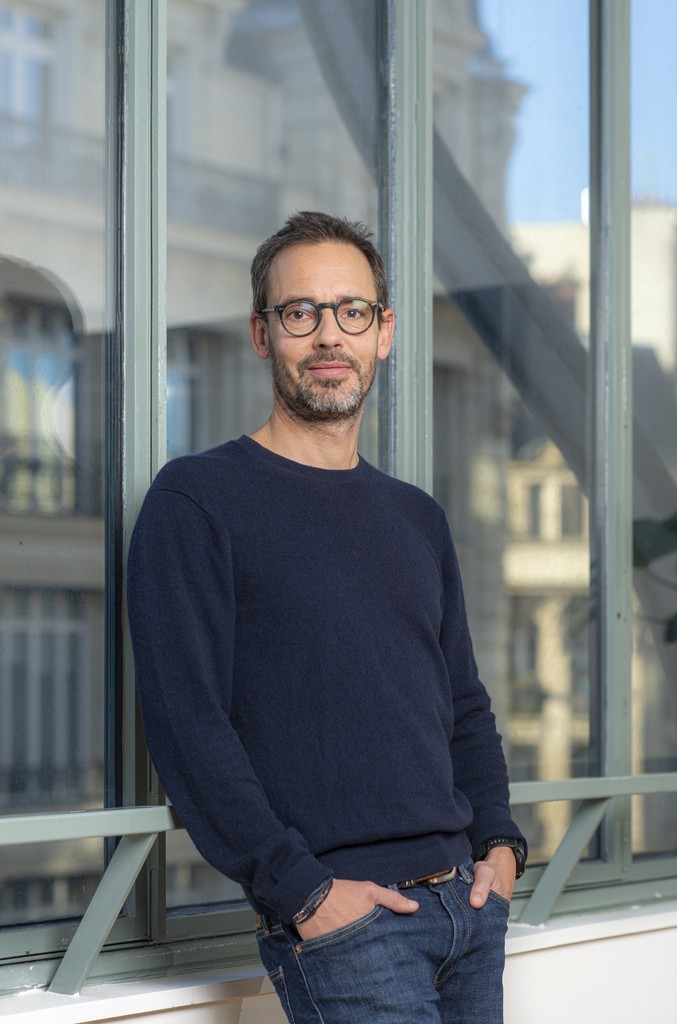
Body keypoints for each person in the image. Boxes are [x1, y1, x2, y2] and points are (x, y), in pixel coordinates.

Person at [127, 210, 526, 1024]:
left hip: (468, 909)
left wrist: (500, 846)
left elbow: (461, 705)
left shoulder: (415, 516)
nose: (327, 336)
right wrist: (301, 893)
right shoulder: (196, 500)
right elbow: (185, 723)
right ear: (261, 334)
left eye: (351, 312)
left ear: (383, 333)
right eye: (299, 313)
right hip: (348, 928)